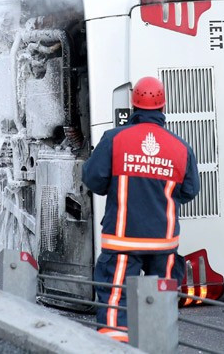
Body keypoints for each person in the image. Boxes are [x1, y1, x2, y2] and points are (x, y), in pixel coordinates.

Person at [82, 76, 200, 343]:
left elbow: (93, 180)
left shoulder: (114, 139)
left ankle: (115, 347)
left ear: (133, 106)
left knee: (116, 299)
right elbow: (190, 191)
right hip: (163, 241)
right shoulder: (181, 147)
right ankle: (159, 346)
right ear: (163, 107)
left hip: (123, 240)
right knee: (161, 299)